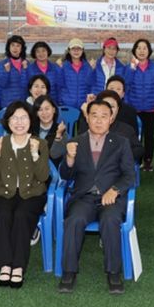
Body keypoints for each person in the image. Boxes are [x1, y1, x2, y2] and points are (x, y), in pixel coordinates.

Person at [57, 99, 135, 295]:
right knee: (74, 220)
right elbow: (65, 175)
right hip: (84, 197)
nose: (99, 120)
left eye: (104, 116)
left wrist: (115, 190)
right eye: (94, 116)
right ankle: (69, 272)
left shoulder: (121, 143)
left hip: (110, 198)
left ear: (111, 119)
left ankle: (113, 273)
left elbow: (129, 175)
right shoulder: (76, 142)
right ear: (87, 117)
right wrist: (69, 159)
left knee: (110, 220)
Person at [0, 101, 50, 289]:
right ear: (8, 121)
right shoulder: (1, 142)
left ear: (31, 120)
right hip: (5, 193)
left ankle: (19, 266)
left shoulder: (40, 143)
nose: (19, 122)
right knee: (5, 215)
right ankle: (5, 265)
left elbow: (43, 176)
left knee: (22, 215)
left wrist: (35, 154)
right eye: (15, 118)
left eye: (24, 118)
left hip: (32, 194)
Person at [125, 38, 154, 172]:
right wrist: (132, 68)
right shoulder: (129, 67)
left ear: (149, 51)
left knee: (149, 135)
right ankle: (136, 160)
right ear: (134, 51)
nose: (141, 51)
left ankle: (148, 161)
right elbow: (126, 85)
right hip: (134, 108)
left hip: (150, 108)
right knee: (135, 136)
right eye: (139, 48)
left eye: (144, 48)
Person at [73, 90, 144, 164]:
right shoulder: (89, 126)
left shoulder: (126, 129)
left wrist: (121, 156)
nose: (109, 110)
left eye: (112, 106)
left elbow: (139, 149)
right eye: (105, 106)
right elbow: (79, 145)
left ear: (118, 109)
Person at [60, 38, 93, 109]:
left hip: (83, 106)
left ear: (82, 50)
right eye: (73, 48)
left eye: (79, 48)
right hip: (67, 105)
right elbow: (59, 86)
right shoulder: (63, 67)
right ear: (69, 51)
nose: (76, 51)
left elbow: (90, 86)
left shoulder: (88, 67)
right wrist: (61, 102)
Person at [0, 35, 29, 108]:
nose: (15, 48)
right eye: (12, 45)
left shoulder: (26, 63)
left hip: (22, 102)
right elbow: (2, 84)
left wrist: (24, 69)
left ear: (22, 48)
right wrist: (7, 72)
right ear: (8, 47)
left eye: (18, 46)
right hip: (8, 103)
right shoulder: (3, 64)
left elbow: (27, 85)